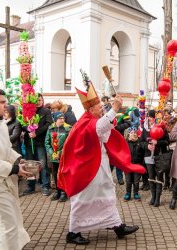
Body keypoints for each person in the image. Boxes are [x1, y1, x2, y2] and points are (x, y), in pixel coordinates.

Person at [58, 83, 145, 245]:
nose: (102, 110)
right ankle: (73, 231)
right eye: (99, 108)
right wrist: (115, 109)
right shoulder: (86, 122)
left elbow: (104, 130)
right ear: (90, 109)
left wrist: (113, 113)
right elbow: (99, 128)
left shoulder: (93, 120)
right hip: (87, 169)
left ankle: (117, 226)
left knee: (107, 194)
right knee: (84, 198)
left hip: (99, 167)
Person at [0, 87, 30, 250]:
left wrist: (19, 159)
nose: (6, 105)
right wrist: (14, 169)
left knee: (5, 224)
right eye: (2, 102)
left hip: (4, 181)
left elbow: (5, 149)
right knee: (9, 225)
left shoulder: (0, 124)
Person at [22, 94, 53, 196]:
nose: (39, 102)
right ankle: (31, 186)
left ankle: (45, 186)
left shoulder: (46, 111)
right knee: (30, 165)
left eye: (40, 100)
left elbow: (49, 124)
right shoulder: (28, 110)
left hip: (40, 142)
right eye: (37, 100)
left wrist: (37, 132)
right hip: (29, 141)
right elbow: (22, 123)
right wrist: (28, 129)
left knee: (43, 164)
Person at [139, 109, 170, 207]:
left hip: (159, 156)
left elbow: (167, 141)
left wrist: (158, 143)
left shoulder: (162, 128)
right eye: (149, 118)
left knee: (159, 177)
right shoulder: (145, 128)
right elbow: (141, 142)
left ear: (156, 118)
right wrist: (147, 146)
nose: (150, 120)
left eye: (152, 118)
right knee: (151, 177)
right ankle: (153, 196)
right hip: (148, 156)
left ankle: (158, 197)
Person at [45, 112, 71, 202]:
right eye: (60, 118)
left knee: (63, 174)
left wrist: (60, 152)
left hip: (63, 156)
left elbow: (69, 144)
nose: (62, 120)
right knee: (55, 173)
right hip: (53, 156)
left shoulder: (68, 128)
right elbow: (47, 142)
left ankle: (64, 192)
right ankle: (57, 191)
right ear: (55, 119)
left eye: (63, 118)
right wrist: (52, 152)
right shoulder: (51, 128)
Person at [124, 127, 144, 201]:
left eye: (135, 133)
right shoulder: (125, 143)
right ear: (129, 135)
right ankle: (128, 193)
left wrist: (141, 163)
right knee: (128, 180)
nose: (134, 134)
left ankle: (136, 193)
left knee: (136, 181)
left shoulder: (139, 143)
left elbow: (142, 154)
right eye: (132, 133)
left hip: (137, 165)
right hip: (128, 165)